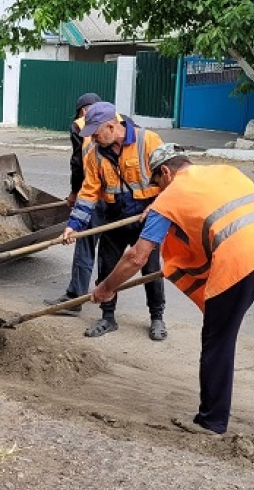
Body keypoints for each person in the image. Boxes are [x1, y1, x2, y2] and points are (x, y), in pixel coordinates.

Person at [89, 143, 254, 441]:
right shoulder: (225, 170)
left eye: (156, 183)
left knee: (218, 342)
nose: (156, 191)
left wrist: (106, 288)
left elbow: (137, 257)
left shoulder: (169, 198)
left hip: (240, 260)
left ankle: (212, 421)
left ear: (166, 172)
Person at [55, 102, 167, 340]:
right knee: (107, 268)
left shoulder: (148, 141)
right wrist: (73, 226)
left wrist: (157, 207)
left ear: (111, 126)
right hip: (114, 216)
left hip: (147, 218)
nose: (93, 139)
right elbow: (88, 193)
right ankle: (107, 317)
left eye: (96, 133)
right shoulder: (94, 154)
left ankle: (157, 317)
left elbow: (170, 181)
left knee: (149, 268)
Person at [43, 92, 105, 316]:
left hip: (94, 195)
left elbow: (78, 164)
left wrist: (73, 193)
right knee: (110, 250)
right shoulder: (121, 121)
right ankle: (108, 303)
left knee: (85, 244)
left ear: (82, 111)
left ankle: (75, 298)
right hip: (122, 201)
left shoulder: (79, 126)